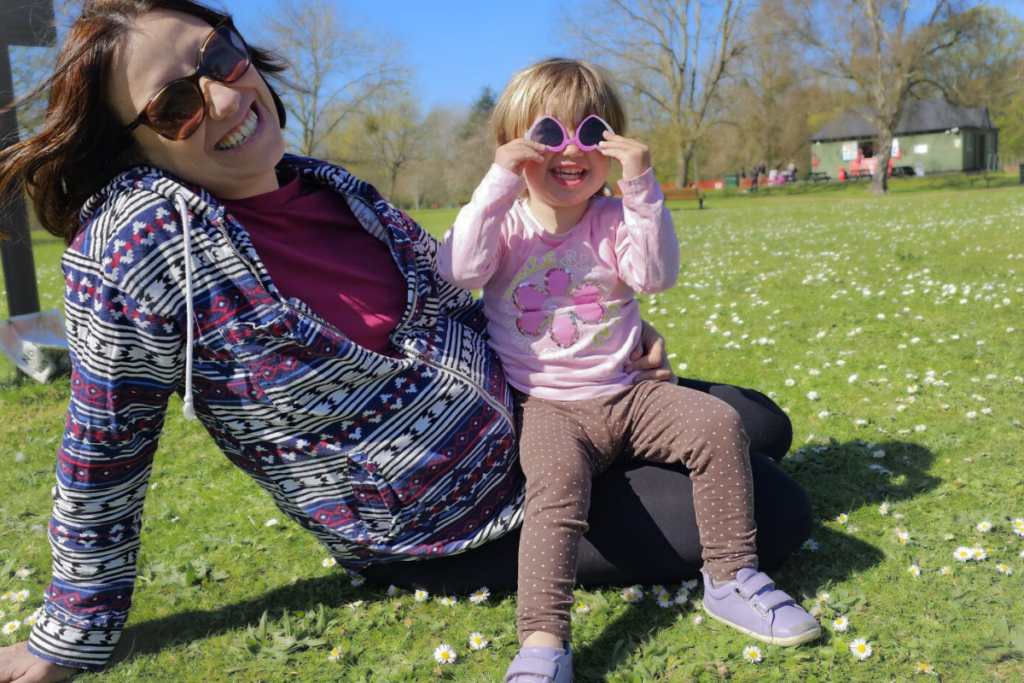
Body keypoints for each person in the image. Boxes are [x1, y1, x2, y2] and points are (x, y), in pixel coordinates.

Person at [0, 2, 813, 680]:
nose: (220, 97)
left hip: (536, 404)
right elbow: (106, 440)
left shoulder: (328, 186)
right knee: (773, 505)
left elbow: (460, 287)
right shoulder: (145, 251)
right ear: (135, 144)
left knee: (758, 422)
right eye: (174, 104)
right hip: (449, 520)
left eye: (220, 56)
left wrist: (620, 329)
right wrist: (67, 632)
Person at [438, 59, 818, 683]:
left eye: (588, 133)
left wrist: (640, 185)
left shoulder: (614, 219)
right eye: (545, 134)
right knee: (556, 487)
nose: (569, 150)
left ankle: (731, 577)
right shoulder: (504, 223)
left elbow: (655, 275)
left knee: (720, 425)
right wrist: (497, 183)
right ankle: (542, 640)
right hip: (548, 406)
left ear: (609, 146)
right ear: (514, 146)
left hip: (628, 394)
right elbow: (459, 266)